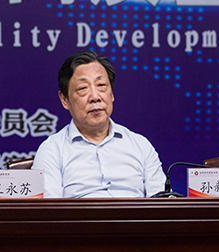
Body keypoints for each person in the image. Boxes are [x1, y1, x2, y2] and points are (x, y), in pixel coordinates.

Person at [32, 50, 165, 198]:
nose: (95, 97)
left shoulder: (141, 146)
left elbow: (161, 203)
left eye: (101, 85)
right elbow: (49, 209)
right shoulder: (51, 151)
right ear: (64, 99)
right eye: (83, 88)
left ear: (112, 94)